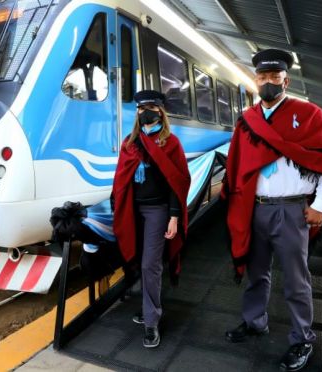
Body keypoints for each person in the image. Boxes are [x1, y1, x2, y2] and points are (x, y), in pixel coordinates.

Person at [221, 49, 322, 371]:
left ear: (286, 80)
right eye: (262, 78)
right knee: (256, 272)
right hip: (256, 209)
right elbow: (237, 166)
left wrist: (320, 205)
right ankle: (254, 320)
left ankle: (302, 338)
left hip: (292, 211)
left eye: (274, 78)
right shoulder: (247, 122)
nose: (268, 83)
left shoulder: (311, 116)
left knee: (296, 279)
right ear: (255, 80)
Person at [112, 90, 190, 348]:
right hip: (133, 212)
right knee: (138, 260)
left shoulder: (171, 143)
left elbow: (177, 182)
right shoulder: (129, 142)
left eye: (151, 107)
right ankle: (149, 307)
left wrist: (174, 216)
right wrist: (117, 208)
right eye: (140, 108)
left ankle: (151, 322)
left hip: (157, 211)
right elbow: (120, 181)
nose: (145, 112)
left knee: (150, 265)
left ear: (160, 111)